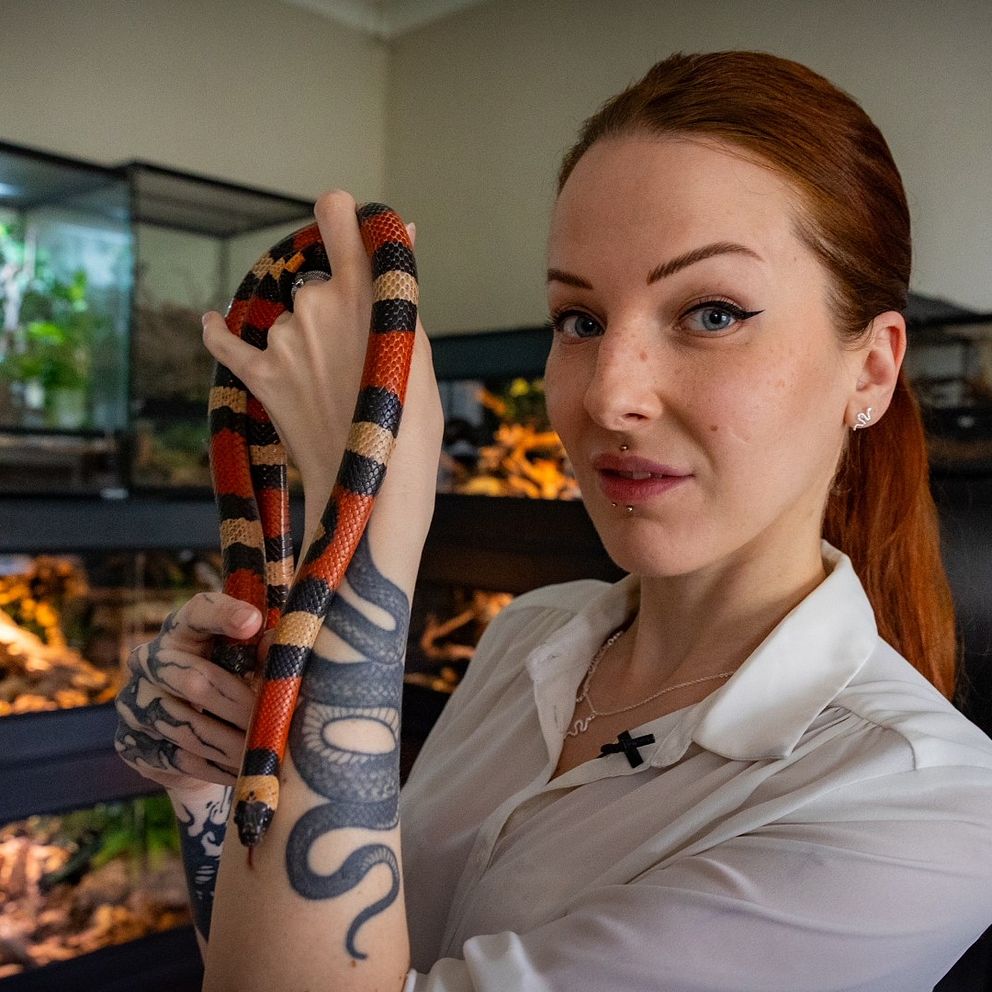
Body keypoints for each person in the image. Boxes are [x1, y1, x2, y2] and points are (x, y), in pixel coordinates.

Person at [115, 50, 992, 991]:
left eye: (712, 314)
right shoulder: (528, 638)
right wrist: (210, 786)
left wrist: (361, 509)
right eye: (579, 319)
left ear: (872, 369)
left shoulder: (925, 805)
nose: (609, 396)